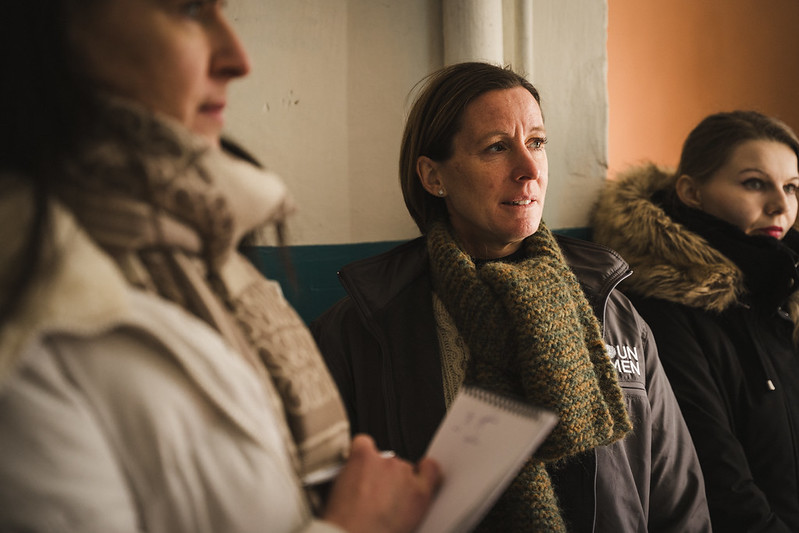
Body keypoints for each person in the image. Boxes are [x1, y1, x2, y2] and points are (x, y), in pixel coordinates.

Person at [0, 1, 441, 532]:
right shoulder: (26, 323)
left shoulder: (206, 251)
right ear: (47, 27)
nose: (239, 58)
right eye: (189, 9)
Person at [311, 61, 711, 532]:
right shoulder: (365, 326)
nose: (528, 170)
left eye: (536, 142)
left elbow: (677, 497)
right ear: (433, 176)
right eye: (497, 147)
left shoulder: (607, 308)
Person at [592, 110, 799, 532]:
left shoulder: (781, 290)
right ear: (691, 192)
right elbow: (720, 487)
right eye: (754, 183)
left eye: (793, 187)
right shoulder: (662, 312)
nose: (781, 204)